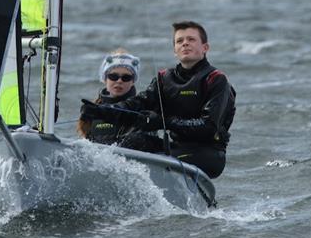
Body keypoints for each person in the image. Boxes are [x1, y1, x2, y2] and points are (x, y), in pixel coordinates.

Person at [81, 21, 235, 179]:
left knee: (155, 156)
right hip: (176, 148)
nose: (185, 44)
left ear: (205, 48)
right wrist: (102, 111)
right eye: (179, 41)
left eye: (191, 39)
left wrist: (162, 122)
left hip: (207, 154)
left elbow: (208, 127)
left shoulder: (216, 80)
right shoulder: (165, 79)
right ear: (175, 50)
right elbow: (137, 105)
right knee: (134, 142)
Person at [76, 50, 142, 145]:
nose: (119, 81)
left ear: (132, 81)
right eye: (113, 76)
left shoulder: (141, 108)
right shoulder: (93, 108)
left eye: (126, 77)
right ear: (105, 79)